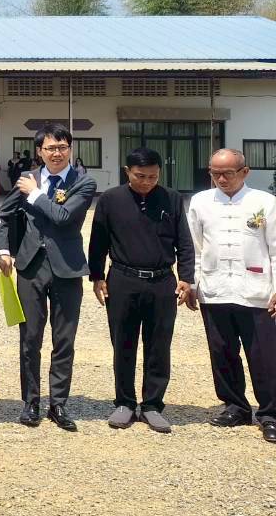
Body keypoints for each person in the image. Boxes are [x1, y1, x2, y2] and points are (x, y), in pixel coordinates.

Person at [0, 124, 97, 431]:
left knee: (64, 339)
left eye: (62, 147)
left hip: (67, 267)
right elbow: (4, 216)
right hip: (31, 266)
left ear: (70, 149)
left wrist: (36, 194)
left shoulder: (83, 182)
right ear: (39, 151)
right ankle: (30, 401)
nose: (57, 153)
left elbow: (63, 217)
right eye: (50, 148)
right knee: (30, 338)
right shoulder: (27, 179)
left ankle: (58, 403)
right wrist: (3, 249)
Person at [87, 147, 195, 434]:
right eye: (140, 176)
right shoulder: (111, 200)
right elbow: (98, 241)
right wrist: (97, 276)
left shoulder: (171, 198)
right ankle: (124, 402)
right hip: (123, 280)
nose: (147, 182)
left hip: (162, 282)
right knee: (123, 343)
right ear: (127, 172)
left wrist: (186, 277)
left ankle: (152, 405)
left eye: (153, 176)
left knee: (159, 345)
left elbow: (184, 242)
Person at [188, 148, 276, 444]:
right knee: (222, 351)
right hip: (215, 290)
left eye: (228, 173)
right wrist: (193, 284)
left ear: (245, 172)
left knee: (264, 355)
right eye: (215, 174)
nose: (221, 179)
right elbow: (195, 248)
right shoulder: (201, 202)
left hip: (257, 291)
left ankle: (270, 413)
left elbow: (275, 249)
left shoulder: (265, 202)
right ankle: (235, 406)